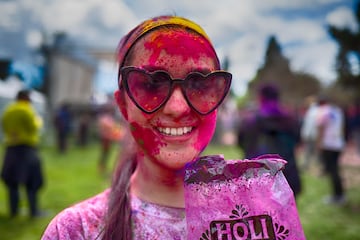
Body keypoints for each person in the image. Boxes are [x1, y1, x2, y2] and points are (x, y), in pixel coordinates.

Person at [41, 15, 232, 239]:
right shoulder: (76, 230)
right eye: (152, 85)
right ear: (123, 105)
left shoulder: (258, 217)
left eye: (199, 83)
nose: (177, 107)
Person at [237, 84, 302, 197]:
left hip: (257, 176)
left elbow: (241, 143)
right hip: (286, 174)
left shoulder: (250, 121)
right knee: (285, 212)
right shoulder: (291, 119)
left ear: (261, 98)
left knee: (259, 212)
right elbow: (298, 141)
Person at [1, 89, 44, 218]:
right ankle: (33, 211)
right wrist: (38, 121)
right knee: (32, 181)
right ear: (26, 98)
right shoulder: (26, 110)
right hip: (27, 149)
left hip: (11, 149)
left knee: (12, 181)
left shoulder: (8, 110)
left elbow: (4, 126)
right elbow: (34, 126)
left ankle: (13, 211)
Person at [316, 95, 346, 205]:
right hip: (338, 144)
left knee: (333, 171)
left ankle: (338, 196)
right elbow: (342, 127)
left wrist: (319, 143)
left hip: (328, 145)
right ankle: (339, 194)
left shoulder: (323, 111)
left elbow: (320, 128)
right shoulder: (338, 111)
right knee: (335, 170)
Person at [97, 103, 124, 174]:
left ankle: (102, 167)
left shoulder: (105, 119)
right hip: (105, 139)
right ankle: (101, 168)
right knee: (105, 153)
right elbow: (110, 128)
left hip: (107, 138)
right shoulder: (105, 119)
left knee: (106, 153)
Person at [300, 95, 319, 170]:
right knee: (313, 151)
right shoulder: (315, 110)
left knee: (308, 150)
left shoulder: (312, 111)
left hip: (311, 134)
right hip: (315, 134)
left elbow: (309, 124)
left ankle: (306, 165)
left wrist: (305, 134)